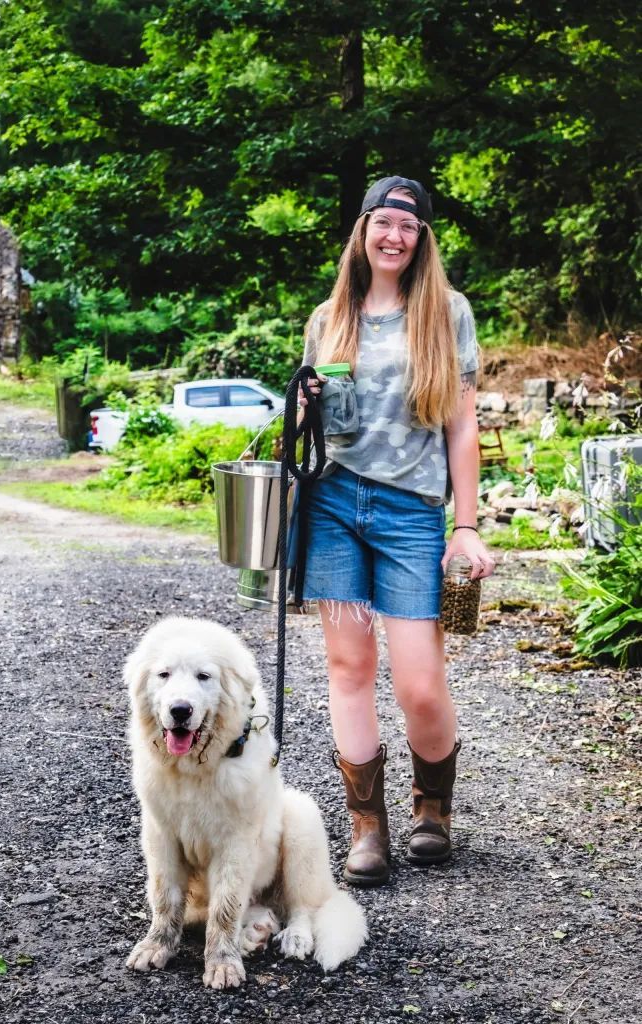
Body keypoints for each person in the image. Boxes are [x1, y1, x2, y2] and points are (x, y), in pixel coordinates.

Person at [298, 174, 495, 885]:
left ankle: (433, 807)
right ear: (363, 230)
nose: (394, 236)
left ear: (421, 239)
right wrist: (307, 404)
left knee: (418, 681)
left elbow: (463, 423)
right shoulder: (330, 317)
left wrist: (465, 525)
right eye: (383, 222)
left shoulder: (446, 312)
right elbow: (308, 429)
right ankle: (366, 828)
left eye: (408, 227)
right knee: (348, 667)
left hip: (412, 512)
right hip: (333, 507)